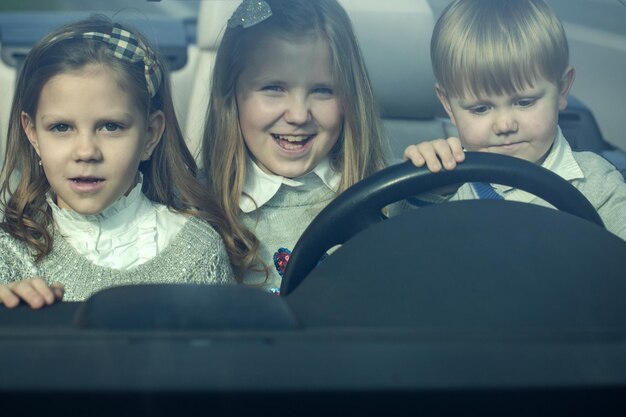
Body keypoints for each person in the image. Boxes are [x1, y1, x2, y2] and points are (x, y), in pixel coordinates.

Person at [0, 16, 238, 309]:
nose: (86, 151)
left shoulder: (198, 250)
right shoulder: (9, 252)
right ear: (33, 135)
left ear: (149, 135)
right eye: (61, 127)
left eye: (110, 126)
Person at [201, 0, 395, 292]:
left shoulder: (387, 197)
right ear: (231, 95)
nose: (298, 115)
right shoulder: (198, 206)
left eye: (322, 90)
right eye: (274, 88)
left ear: (349, 100)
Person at [403, 0, 626, 241]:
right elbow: (396, 249)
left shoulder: (596, 184)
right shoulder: (441, 185)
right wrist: (428, 187)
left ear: (562, 90)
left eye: (524, 102)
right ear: (448, 104)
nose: (505, 125)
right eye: (480, 108)